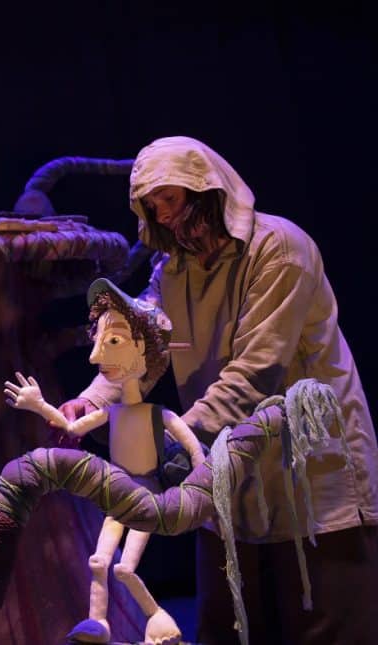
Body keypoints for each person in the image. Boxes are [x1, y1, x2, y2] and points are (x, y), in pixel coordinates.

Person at [59, 135, 378, 644]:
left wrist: (174, 441)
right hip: (227, 480)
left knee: (323, 630)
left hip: (312, 479)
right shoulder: (172, 270)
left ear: (205, 188)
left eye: (170, 198)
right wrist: (90, 402)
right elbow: (139, 344)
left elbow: (254, 374)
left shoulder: (280, 250)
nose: (163, 215)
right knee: (225, 631)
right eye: (151, 206)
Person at [6, 277, 205, 644]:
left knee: (125, 568)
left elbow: (196, 453)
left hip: (146, 496)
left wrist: (199, 485)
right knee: (99, 562)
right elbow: (71, 425)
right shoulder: (111, 412)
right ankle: (98, 623)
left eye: (110, 342)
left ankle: (158, 618)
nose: (95, 356)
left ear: (143, 348)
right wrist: (39, 404)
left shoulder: (158, 416)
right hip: (117, 490)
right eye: (97, 341)